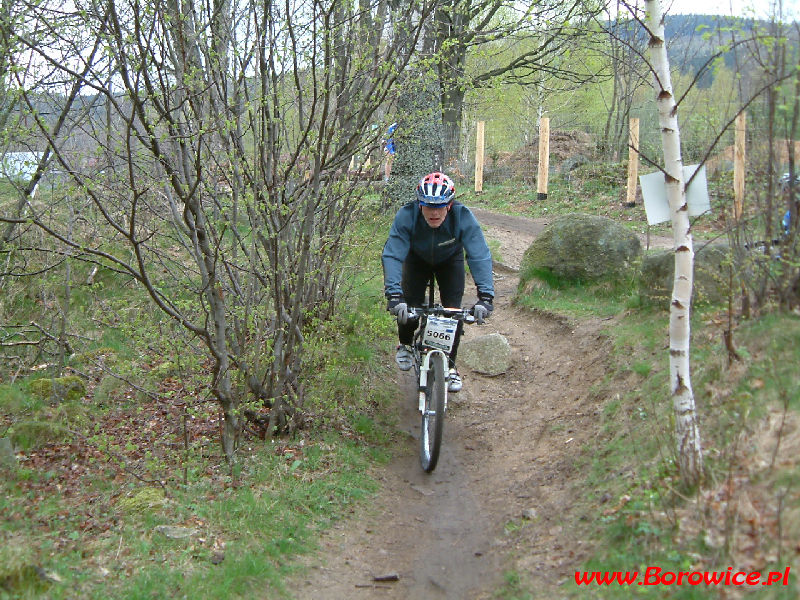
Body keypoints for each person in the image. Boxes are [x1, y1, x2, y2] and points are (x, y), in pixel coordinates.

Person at [382, 171, 494, 392]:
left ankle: (450, 367)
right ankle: (404, 344)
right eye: (428, 205)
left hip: (449, 260)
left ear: (449, 206)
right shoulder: (407, 216)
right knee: (408, 306)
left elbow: (479, 254)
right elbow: (393, 254)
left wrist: (486, 297)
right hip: (416, 259)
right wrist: (394, 295)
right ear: (419, 204)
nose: (434, 212)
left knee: (453, 311)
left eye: (440, 206)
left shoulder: (463, 217)